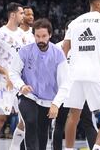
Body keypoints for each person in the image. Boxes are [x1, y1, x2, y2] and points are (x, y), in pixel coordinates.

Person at [62, 0, 100, 150]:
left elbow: (65, 49)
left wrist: (64, 73)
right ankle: (98, 148)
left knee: (73, 115)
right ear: (98, 4)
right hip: (96, 74)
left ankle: (69, 149)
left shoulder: (75, 22)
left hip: (75, 75)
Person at [9, 18, 72, 150]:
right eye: (37, 36)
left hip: (48, 100)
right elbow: (13, 72)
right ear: (34, 36)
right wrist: (21, 86)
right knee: (30, 122)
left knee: (43, 133)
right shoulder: (25, 51)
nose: (40, 39)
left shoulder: (58, 54)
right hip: (28, 96)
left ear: (50, 35)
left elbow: (65, 83)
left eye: (44, 36)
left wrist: (56, 104)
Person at [0, 2, 27, 150]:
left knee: (25, 119)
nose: (24, 16)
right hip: (3, 83)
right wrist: (6, 72)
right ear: (13, 14)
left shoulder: (24, 35)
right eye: (22, 13)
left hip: (20, 82)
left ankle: (14, 148)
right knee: (0, 119)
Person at [53, 20, 98, 150]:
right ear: (66, 30)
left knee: (86, 122)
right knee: (61, 123)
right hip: (63, 89)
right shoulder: (56, 48)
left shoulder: (82, 46)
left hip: (79, 88)